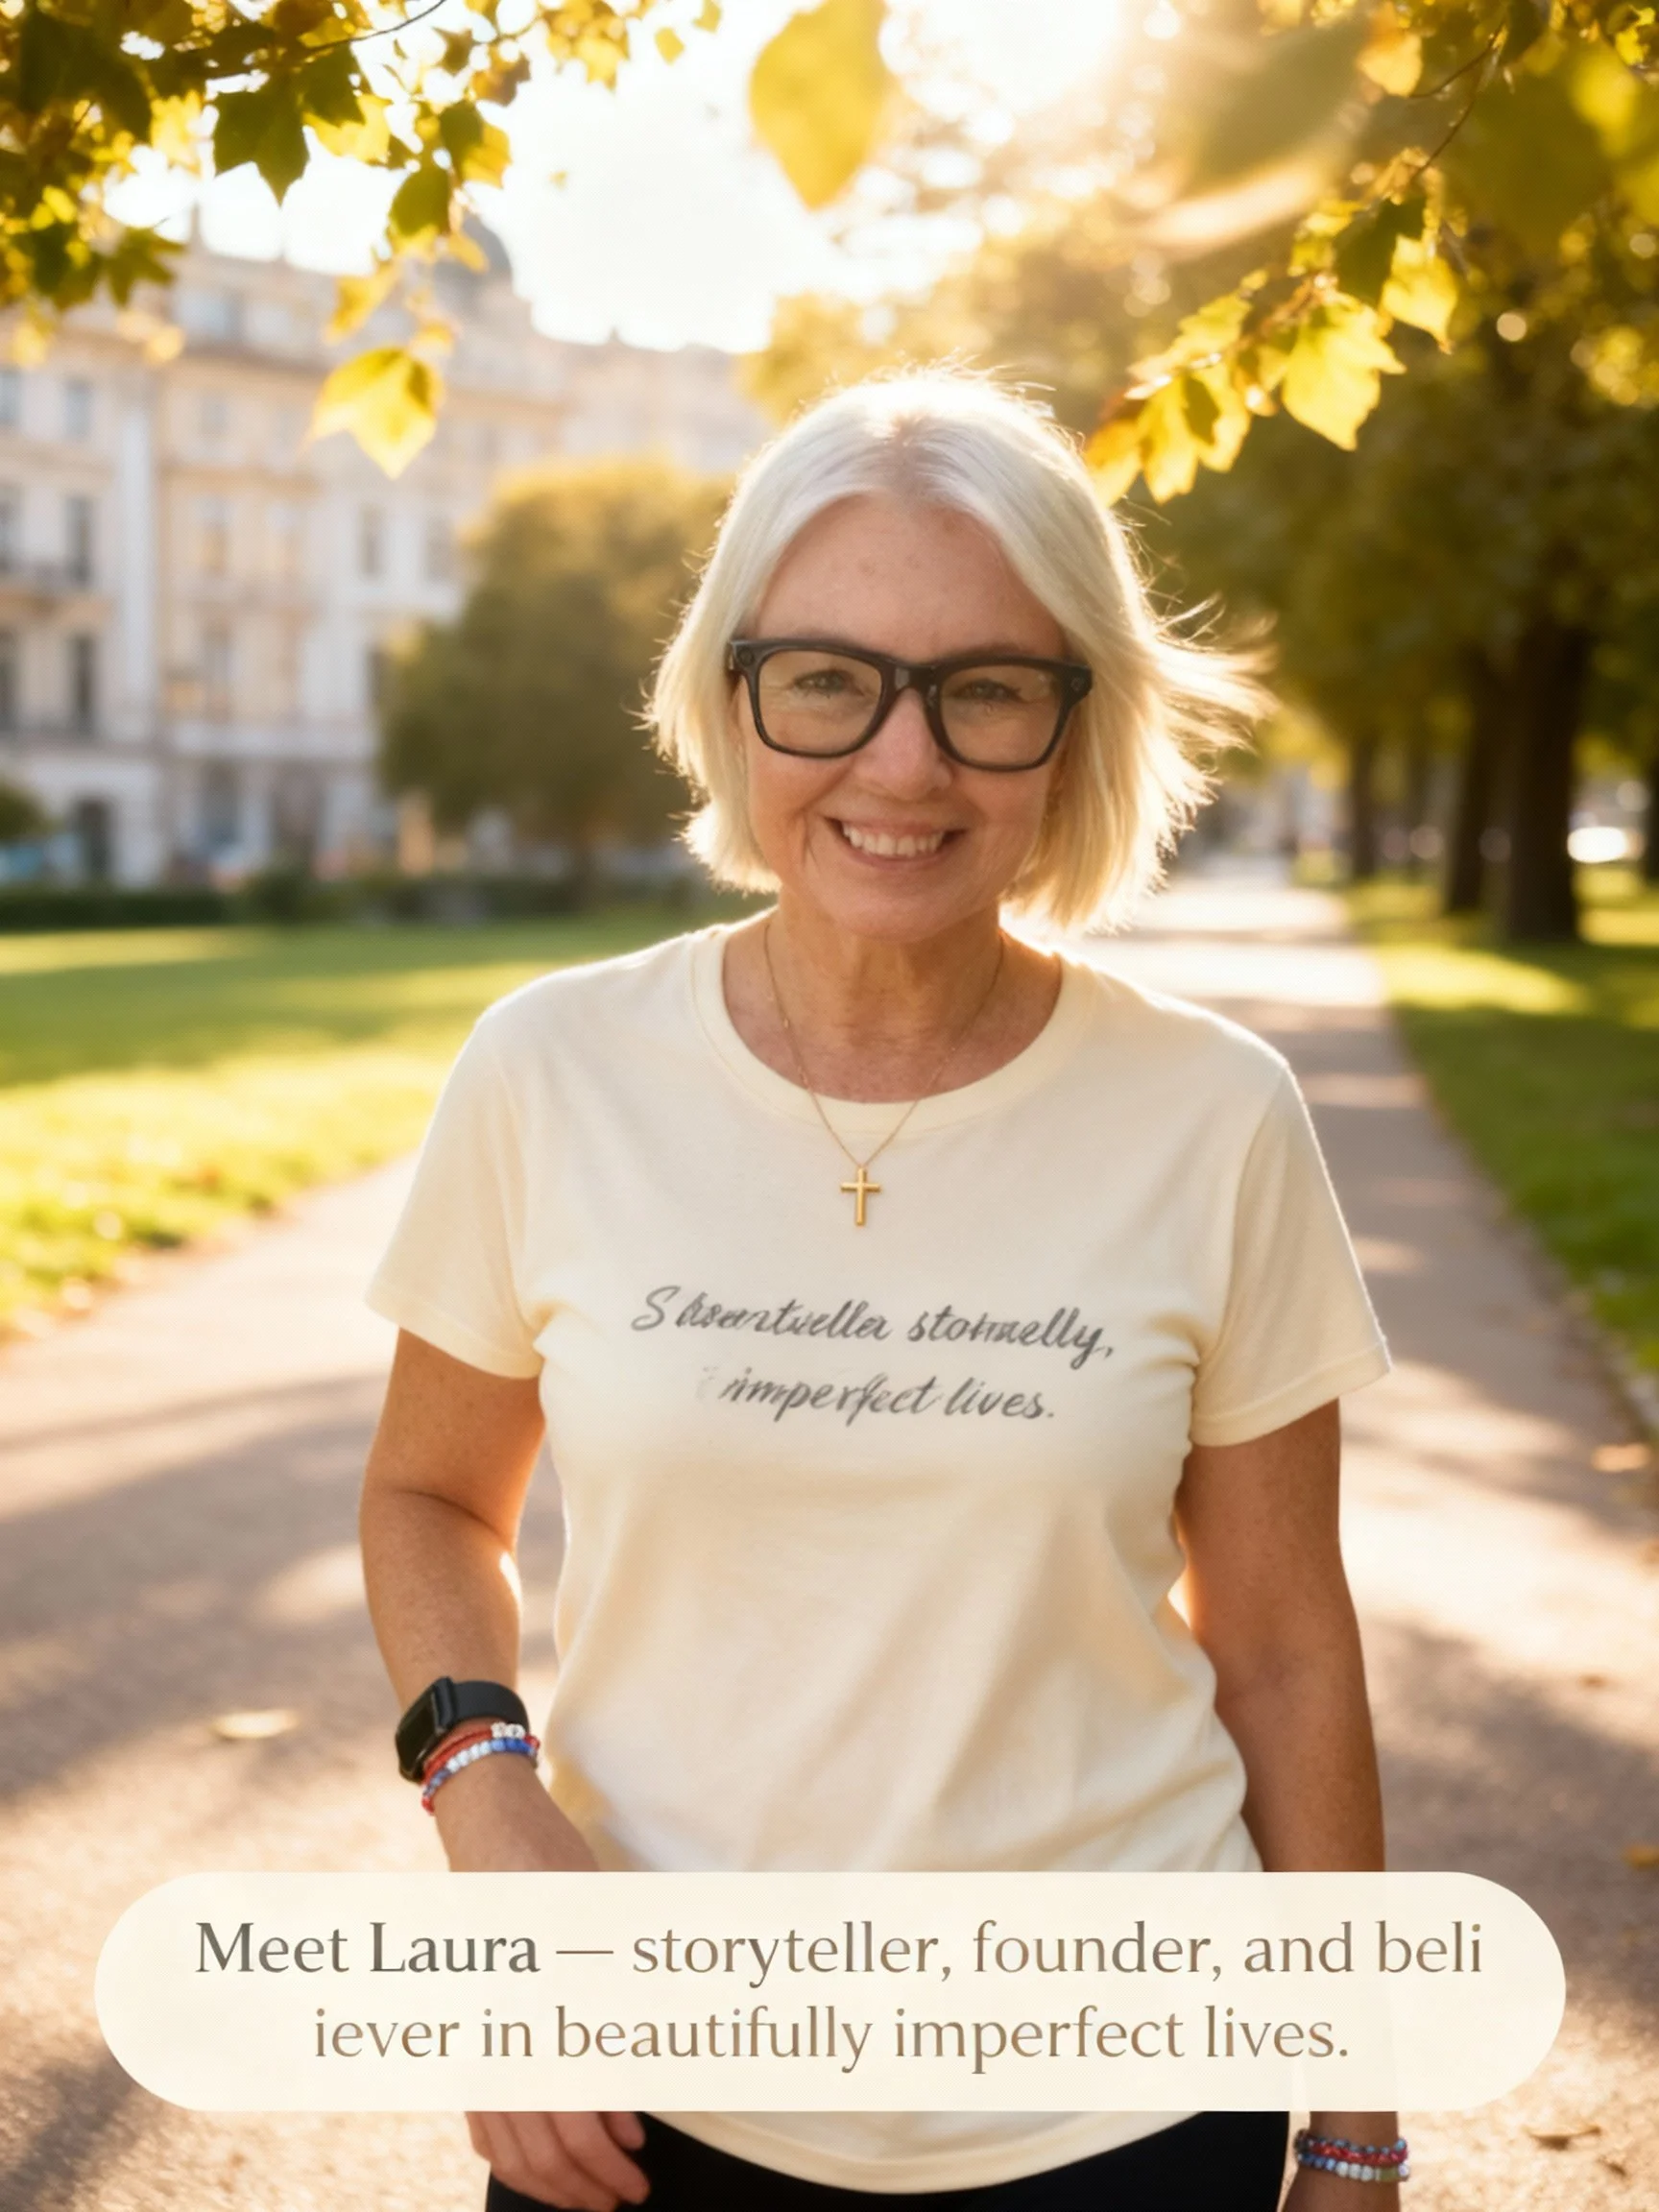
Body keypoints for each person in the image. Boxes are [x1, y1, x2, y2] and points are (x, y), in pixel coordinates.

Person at [359, 370, 1405, 2211]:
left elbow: (1289, 1641)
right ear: (731, 692)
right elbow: (432, 1496)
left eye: (986, 689)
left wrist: (1354, 2112)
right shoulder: (549, 1070)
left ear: (1078, 726)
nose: (903, 766)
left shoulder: (1214, 1113)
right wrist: (488, 1801)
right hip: (641, 2086)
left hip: (1128, 2100)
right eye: (831, 679)